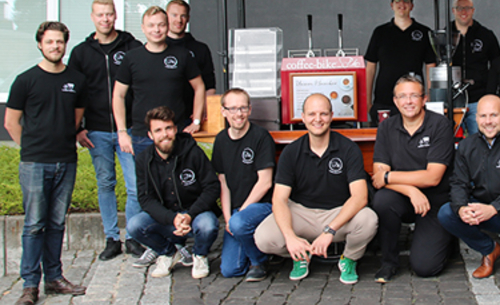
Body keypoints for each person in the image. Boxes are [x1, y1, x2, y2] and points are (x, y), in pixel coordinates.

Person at [6, 22, 88, 305]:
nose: (55, 46)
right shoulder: (25, 80)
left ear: (65, 44)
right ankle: (30, 285)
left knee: (56, 223)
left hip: (66, 160)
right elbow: (11, 122)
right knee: (34, 225)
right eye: (50, 42)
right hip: (35, 163)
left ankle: (54, 277)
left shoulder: (76, 80)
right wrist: (30, 149)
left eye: (60, 42)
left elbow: (76, 118)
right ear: (40, 44)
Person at [254, 94, 376, 284]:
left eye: (323, 114)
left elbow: (360, 198)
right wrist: (290, 237)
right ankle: (300, 255)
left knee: (368, 219)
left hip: (337, 213)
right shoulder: (291, 152)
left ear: (331, 116)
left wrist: (329, 231)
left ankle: (349, 258)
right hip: (301, 213)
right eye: (311, 114)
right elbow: (279, 199)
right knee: (263, 238)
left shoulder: (348, 149)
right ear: (302, 117)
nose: (317, 119)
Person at [70, 0, 143, 260]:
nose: (105, 19)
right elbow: (75, 93)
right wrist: (78, 128)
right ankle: (112, 238)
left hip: (130, 130)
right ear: (92, 17)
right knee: (106, 183)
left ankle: (133, 237)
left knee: (135, 186)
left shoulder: (132, 46)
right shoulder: (80, 53)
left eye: (109, 14)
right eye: (100, 15)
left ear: (115, 16)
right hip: (97, 130)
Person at [438, 95, 500, 282]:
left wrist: (494, 208)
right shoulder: (466, 146)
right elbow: (458, 183)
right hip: (481, 209)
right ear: (476, 119)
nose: (488, 122)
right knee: (446, 213)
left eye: (494, 115)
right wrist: (461, 208)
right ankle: (490, 250)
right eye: (483, 116)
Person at [372, 75, 455, 281]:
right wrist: (411, 190)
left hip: (435, 202)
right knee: (382, 200)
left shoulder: (440, 125)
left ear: (424, 99)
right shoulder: (386, 127)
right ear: (395, 101)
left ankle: (448, 238)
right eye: (402, 96)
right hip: (404, 198)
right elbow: (378, 178)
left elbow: (433, 177)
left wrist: (390, 176)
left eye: (414, 96)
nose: (408, 101)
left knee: (425, 267)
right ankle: (388, 262)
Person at [127, 106, 221, 280]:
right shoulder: (143, 160)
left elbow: (212, 187)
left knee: (208, 225)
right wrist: (172, 218)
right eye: (158, 130)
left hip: (196, 214)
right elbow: (145, 198)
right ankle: (168, 253)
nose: (165, 135)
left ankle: (199, 255)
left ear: (175, 129)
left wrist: (189, 215)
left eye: (168, 128)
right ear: (150, 135)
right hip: (167, 217)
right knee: (135, 225)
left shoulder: (193, 152)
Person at [113, 6, 205, 157]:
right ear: (143, 28)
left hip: (175, 132)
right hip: (143, 134)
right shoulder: (131, 58)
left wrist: (196, 121)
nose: (156, 30)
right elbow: (118, 95)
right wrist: (122, 131)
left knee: (178, 178)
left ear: (167, 26)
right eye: (151, 25)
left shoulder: (182, 55)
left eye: (161, 25)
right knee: (146, 179)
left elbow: (199, 87)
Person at [212, 88, 276, 281]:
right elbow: (223, 183)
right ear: (223, 111)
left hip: (262, 205)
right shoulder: (221, 140)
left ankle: (259, 261)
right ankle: (252, 245)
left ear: (249, 110)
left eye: (242, 108)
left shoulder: (261, 137)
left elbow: (265, 183)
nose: (238, 114)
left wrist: (239, 214)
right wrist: (227, 218)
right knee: (230, 270)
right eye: (232, 109)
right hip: (236, 212)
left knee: (239, 223)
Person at [364, 0, 437, 124]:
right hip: (384, 101)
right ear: (392, 5)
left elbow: (431, 67)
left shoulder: (424, 32)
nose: (401, 3)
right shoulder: (380, 32)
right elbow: (370, 68)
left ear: (412, 6)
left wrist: (430, 100)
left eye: (406, 0)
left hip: (414, 102)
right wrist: (367, 103)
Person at [450, 0, 500, 135]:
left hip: (479, 101)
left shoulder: (486, 35)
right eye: (459, 8)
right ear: (453, 11)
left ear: (473, 10)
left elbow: (497, 66)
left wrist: (490, 95)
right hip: (452, 100)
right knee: (451, 143)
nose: (463, 12)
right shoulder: (445, 35)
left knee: (480, 141)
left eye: (467, 8)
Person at [165, 0, 217, 125]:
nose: (179, 20)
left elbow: (209, 85)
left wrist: (202, 110)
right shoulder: (156, 48)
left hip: (191, 118)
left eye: (183, 16)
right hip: (161, 118)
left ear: (188, 18)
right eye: (174, 15)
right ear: (166, 16)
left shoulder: (200, 49)